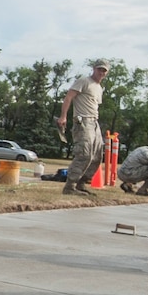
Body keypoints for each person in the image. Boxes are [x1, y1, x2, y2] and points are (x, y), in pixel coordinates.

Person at [56, 59, 109, 195]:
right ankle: (69, 186)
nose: (101, 72)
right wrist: (63, 116)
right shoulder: (84, 81)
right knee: (84, 154)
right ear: (94, 68)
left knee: (97, 156)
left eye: (104, 70)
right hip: (83, 121)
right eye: (99, 69)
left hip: (94, 122)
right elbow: (69, 97)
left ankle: (82, 184)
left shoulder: (99, 88)